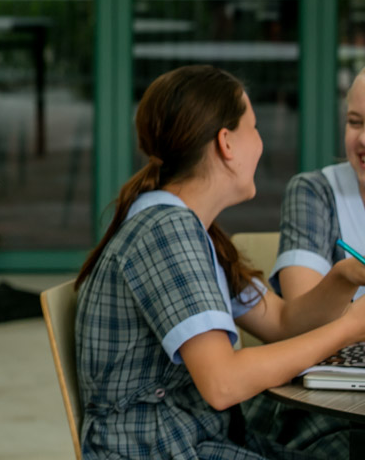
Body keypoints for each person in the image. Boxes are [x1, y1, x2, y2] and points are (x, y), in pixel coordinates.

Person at [74, 65, 365, 459]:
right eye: (255, 128)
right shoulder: (167, 231)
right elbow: (222, 382)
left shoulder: (193, 229)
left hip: (192, 438)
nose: (261, 144)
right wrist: (348, 328)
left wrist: (346, 275)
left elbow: (281, 323)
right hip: (160, 448)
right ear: (226, 143)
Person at [257, 67, 365, 454]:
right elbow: (300, 323)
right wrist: (347, 276)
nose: (363, 139)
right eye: (355, 122)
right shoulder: (314, 192)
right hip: (323, 410)